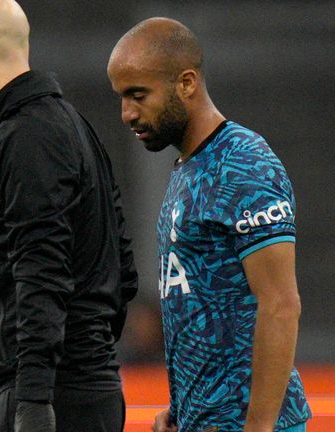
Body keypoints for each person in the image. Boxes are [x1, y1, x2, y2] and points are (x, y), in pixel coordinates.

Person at [0, 1, 138, 431]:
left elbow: (41, 272)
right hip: (79, 389)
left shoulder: (28, 137)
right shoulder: (70, 124)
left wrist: (33, 399)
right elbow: (122, 264)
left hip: (48, 399)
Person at [107, 17, 311, 432]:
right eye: (121, 98)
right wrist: (181, 409)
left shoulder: (243, 164)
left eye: (138, 95)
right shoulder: (188, 168)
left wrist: (258, 428)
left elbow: (281, 305)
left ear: (186, 83)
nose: (127, 113)